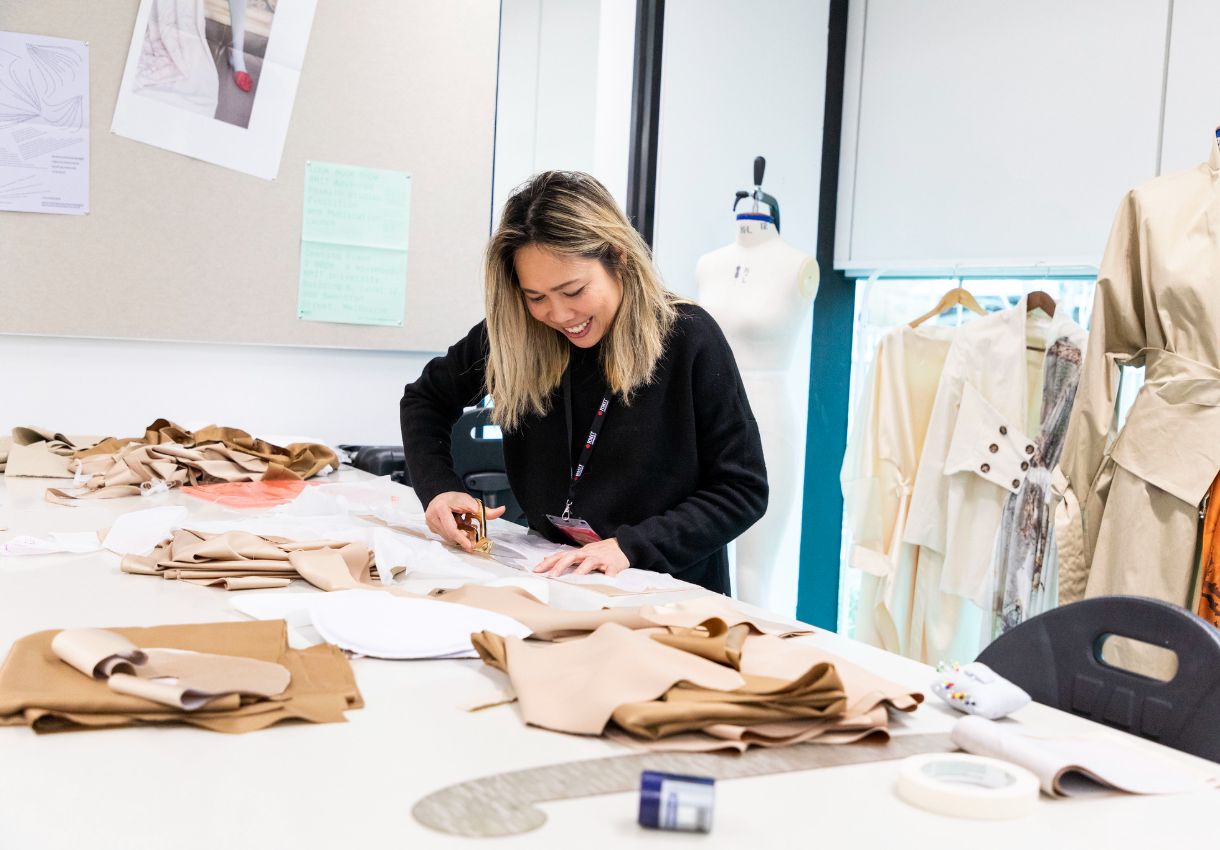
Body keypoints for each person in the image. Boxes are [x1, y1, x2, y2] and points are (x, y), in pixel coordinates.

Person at [399, 171, 768, 594]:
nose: (558, 314)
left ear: (619, 259)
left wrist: (630, 547)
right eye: (535, 297)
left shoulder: (688, 338)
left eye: (573, 290)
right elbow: (424, 399)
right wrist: (439, 490)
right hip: (554, 575)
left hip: (665, 591)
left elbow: (743, 489)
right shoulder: (516, 332)